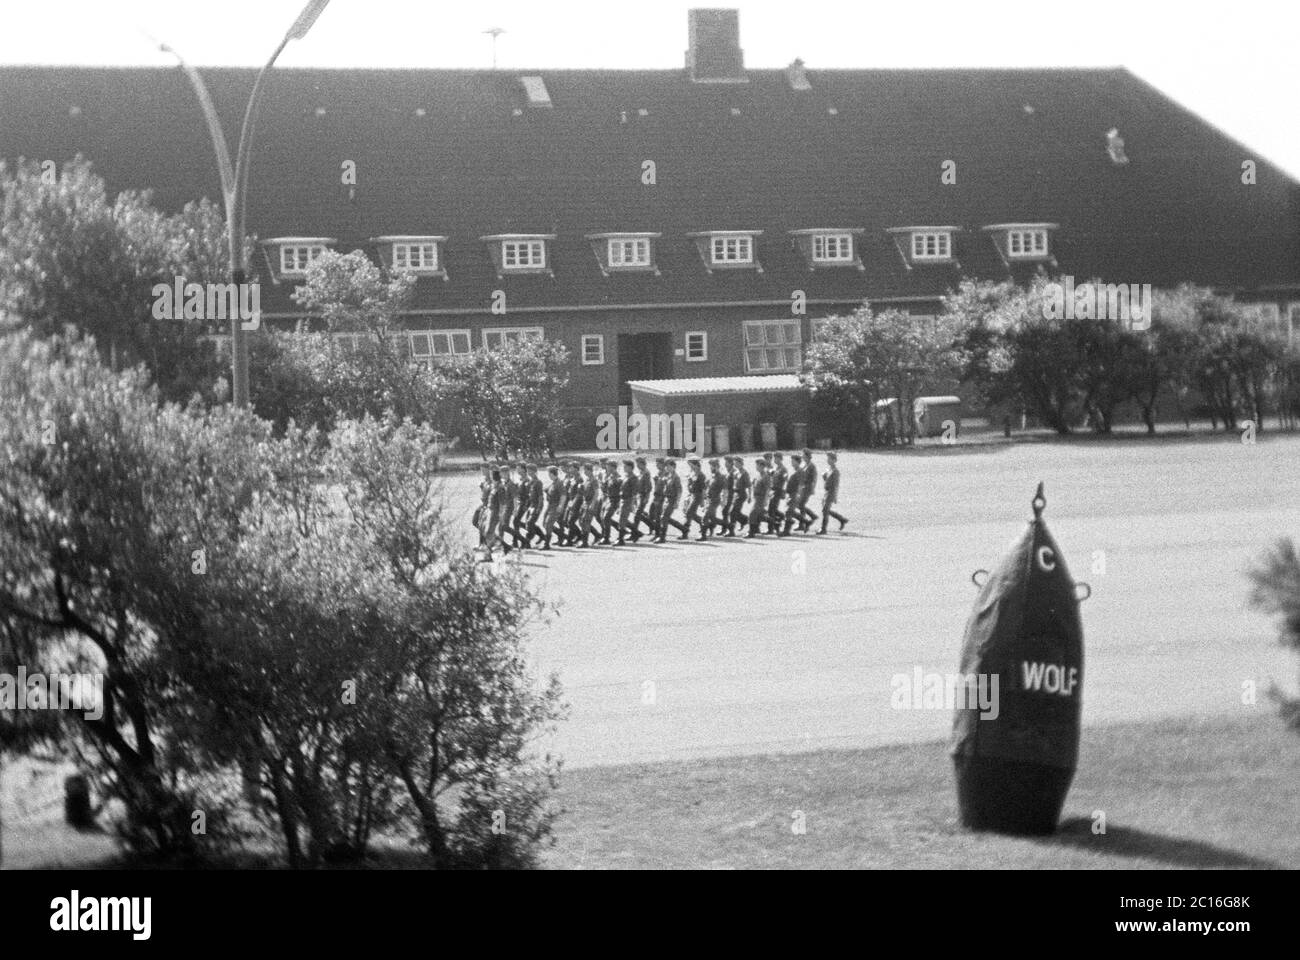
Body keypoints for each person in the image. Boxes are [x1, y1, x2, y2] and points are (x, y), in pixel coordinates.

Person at [819, 450, 848, 534]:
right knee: (825, 510)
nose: (828, 460)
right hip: (826, 492)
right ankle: (842, 519)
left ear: (834, 460)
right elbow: (826, 479)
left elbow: (836, 485)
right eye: (828, 458)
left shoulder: (835, 471)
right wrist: (824, 476)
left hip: (831, 492)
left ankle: (823, 529)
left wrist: (835, 496)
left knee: (825, 510)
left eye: (830, 459)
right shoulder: (829, 469)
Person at [658, 459, 685, 542]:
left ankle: (662, 537)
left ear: (673, 467)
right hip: (667, 499)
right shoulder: (668, 476)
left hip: (672, 500)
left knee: (664, 517)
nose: (667, 467)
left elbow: (679, 490)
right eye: (666, 466)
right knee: (666, 518)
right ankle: (684, 529)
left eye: (669, 466)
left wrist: (677, 502)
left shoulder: (676, 477)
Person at [540, 465, 566, 549]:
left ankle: (546, 544)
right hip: (550, 506)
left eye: (548, 473)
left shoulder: (559, 483)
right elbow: (547, 489)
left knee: (548, 524)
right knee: (545, 523)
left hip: (555, 506)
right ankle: (562, 536)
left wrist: (561, 505)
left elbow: (563, 495)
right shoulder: (553, 483)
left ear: (552, 474)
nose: (548, 475)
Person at [781, 454, 806, 536]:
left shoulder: (800, 471)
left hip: (794, 493)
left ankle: (786, 531)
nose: (791, 462)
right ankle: (806, 522)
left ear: (797, 462)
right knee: (789, 512)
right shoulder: (794, 470)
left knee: (788, 511)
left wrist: (799, 494)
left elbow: (801, 484)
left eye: (793, 461)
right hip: (790, 493)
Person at [681, 458, 706, 540]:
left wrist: (702, 501)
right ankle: (705, 524)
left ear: (695, 464)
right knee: (691, 514)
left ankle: (702, 533)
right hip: (691, 496)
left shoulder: (700, 475)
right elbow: (690, 486)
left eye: (690, 464)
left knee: (688, 513)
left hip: (697, 496)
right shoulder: (692, 473)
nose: (689, 466)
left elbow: (703, 489)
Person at [580, 462, 603, 547]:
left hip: (591, 502)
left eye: (585, 470)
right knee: (582, 521)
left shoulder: (594, 480)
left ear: (589, 470)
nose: (584, 472)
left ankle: (585, 542)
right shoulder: (587, 479)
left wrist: (592, 504)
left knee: (585, 521)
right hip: (586, 502)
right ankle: (597, 535)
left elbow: (596, 493)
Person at [630, 456, 653, 542]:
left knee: (637, 515)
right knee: (639, 514)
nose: (637, 466)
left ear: (642, 464)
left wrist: (646, 497)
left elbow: (648, 487)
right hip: (639, 496)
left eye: (638, 464)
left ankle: (634, 534)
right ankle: (653, 526)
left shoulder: (646, 473)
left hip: (643, 495)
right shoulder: (641, 472)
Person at [702, 458, 726, 539]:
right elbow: (705, 487)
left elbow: (724, 489)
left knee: (705, 516)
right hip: (709, 500)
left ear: (717, 467)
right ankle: (729, 526)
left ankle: (703, 535)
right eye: (711, 466)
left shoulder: (721, 477)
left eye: (713, 466)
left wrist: (723, 499)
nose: (711, 468)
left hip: (715, 500)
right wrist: (704, 497)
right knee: (712, 518)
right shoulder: (710, 476)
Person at [600, 459, 622, 545]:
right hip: (608, 499)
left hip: (615, 500)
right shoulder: (609, 477)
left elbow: (621, 491)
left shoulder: (618, 477)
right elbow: (605, 488)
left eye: (608, 466)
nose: (606, 467)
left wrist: (619, 503)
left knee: (606, 517)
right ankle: (606, 537)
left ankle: (607, 538)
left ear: (613, 467)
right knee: (603, 518)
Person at [523, 463, 546, 545]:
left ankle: (527, 541)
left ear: (535, 471)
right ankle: (542, 536)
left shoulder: (538, 482)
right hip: (531, 506)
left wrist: (539, 507)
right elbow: (529, 496)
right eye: (528, 470)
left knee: (529, 523)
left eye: (530, 470)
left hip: (536, 505)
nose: (529, 472)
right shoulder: (530, 482)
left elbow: (540, 496)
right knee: (528, 523)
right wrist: (526, 505)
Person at [729, 455, 751, 535]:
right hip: (736, 494)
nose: (735, 465)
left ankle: (731, 531)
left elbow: (749, 485)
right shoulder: (736, 472)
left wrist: (749, 496)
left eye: (737, 463)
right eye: (734, 463)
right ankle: (745, 520)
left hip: (742, 495)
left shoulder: (744, 473)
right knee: (735, 512)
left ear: (741, 463)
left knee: (732, 512)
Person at [747, 457, 770, 538]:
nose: (756, 467)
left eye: (757, 465)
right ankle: (773, 523)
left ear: (762, 466)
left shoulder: (765, 476)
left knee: (752, 514)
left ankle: (751, 533)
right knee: (760, 515)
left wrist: (766, 500)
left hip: (761, 498)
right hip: (756, 498)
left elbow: (767, 489)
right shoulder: (758, 475)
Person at [616, 459, 637, 545]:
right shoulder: (626, 476)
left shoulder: (633, 478)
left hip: (628, 500)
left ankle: (621, 540)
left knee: (622, 519)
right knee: (622, 519)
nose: (624, 467)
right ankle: (636, 533)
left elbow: (634, 492)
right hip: (623, 500)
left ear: (630, 467)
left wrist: (632, 503)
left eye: (625, 466)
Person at [767, 452, 788, 533]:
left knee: (771, 510)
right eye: (774, 458)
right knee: (773, 509)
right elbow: (770, 476)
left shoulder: (783, 469)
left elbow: (786, 479)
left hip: (778, 490)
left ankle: (771, 528)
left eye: (776, 458)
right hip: (773, 490)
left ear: (780, 459)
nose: (774, 459)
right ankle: (782, 518)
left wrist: (784, 491)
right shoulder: (775, 468)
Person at [647, 457, 667, 542]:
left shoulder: (666, 474)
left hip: (661, 497)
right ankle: (655, 531)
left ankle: (658, 534)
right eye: (656, 464)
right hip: (656, 496)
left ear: (663, 464)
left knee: (658, 516)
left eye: (659, 464)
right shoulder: (658, 473)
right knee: (651, 514)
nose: (657, 465)